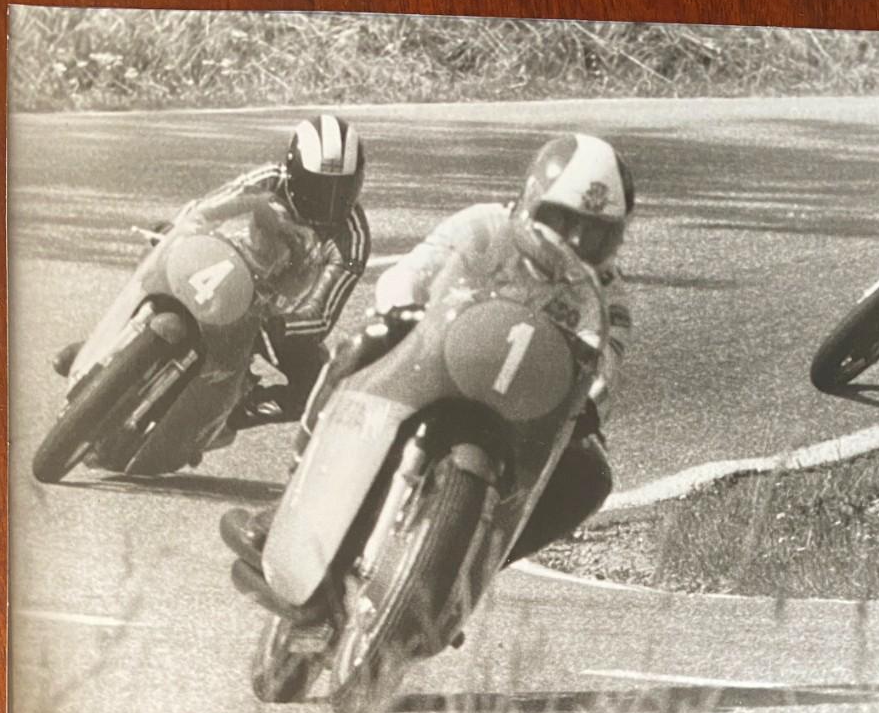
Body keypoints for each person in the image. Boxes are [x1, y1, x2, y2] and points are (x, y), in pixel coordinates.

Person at [221, 132, 635, 571]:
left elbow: (606, 361)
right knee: (364, 345)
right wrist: (405, 312)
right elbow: (411, 274)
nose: (573, 240)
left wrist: (592, 398)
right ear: (532, 200)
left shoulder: (607, 294)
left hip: (522, 409)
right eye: (563, 220)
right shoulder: (482, 226)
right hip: (443, 363)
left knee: (591, 475)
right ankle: (293, 502)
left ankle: (474, 567)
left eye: (595, 234)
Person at [53, 113, 371, 432]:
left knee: (319, 389)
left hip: (273, 312)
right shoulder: (271, 179)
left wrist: (279, 325)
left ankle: (231, 414)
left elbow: (321, 313)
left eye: (341, 189)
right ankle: (108, 348)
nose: (328, 202)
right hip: (233, 263)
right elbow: (205, 210)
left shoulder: (353, 236)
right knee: (159, 246)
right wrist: (178, 233)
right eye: (318, 187)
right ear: (294, 171)